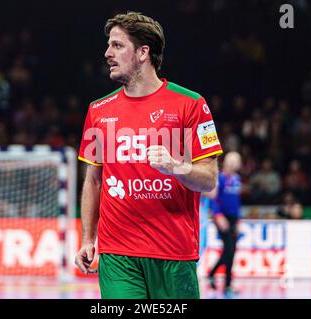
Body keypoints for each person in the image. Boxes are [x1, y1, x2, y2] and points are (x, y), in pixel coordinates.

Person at [74, 12, 223, 299]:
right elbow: (93, 181)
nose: (107, 53)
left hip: (173, 253)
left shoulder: (192, 105)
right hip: (117, 253)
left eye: (117, 46)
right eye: (109, 45)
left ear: (143, 52)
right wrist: (88, 238)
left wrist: (176, 167)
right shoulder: (98, 111)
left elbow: (209, 180)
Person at [206, 152, 242, 297]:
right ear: (225, 162)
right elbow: (214, 199)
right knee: (229, 249)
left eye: (236, 161)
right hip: (222, 217)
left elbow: (237, 202)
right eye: (231, 161)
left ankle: (218, 277)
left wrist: (238, 220)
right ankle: (221, 279)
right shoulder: (219, 178)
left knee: (231, 250)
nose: (233, 163)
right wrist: (218, 216)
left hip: (233, 218)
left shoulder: (237, 179)